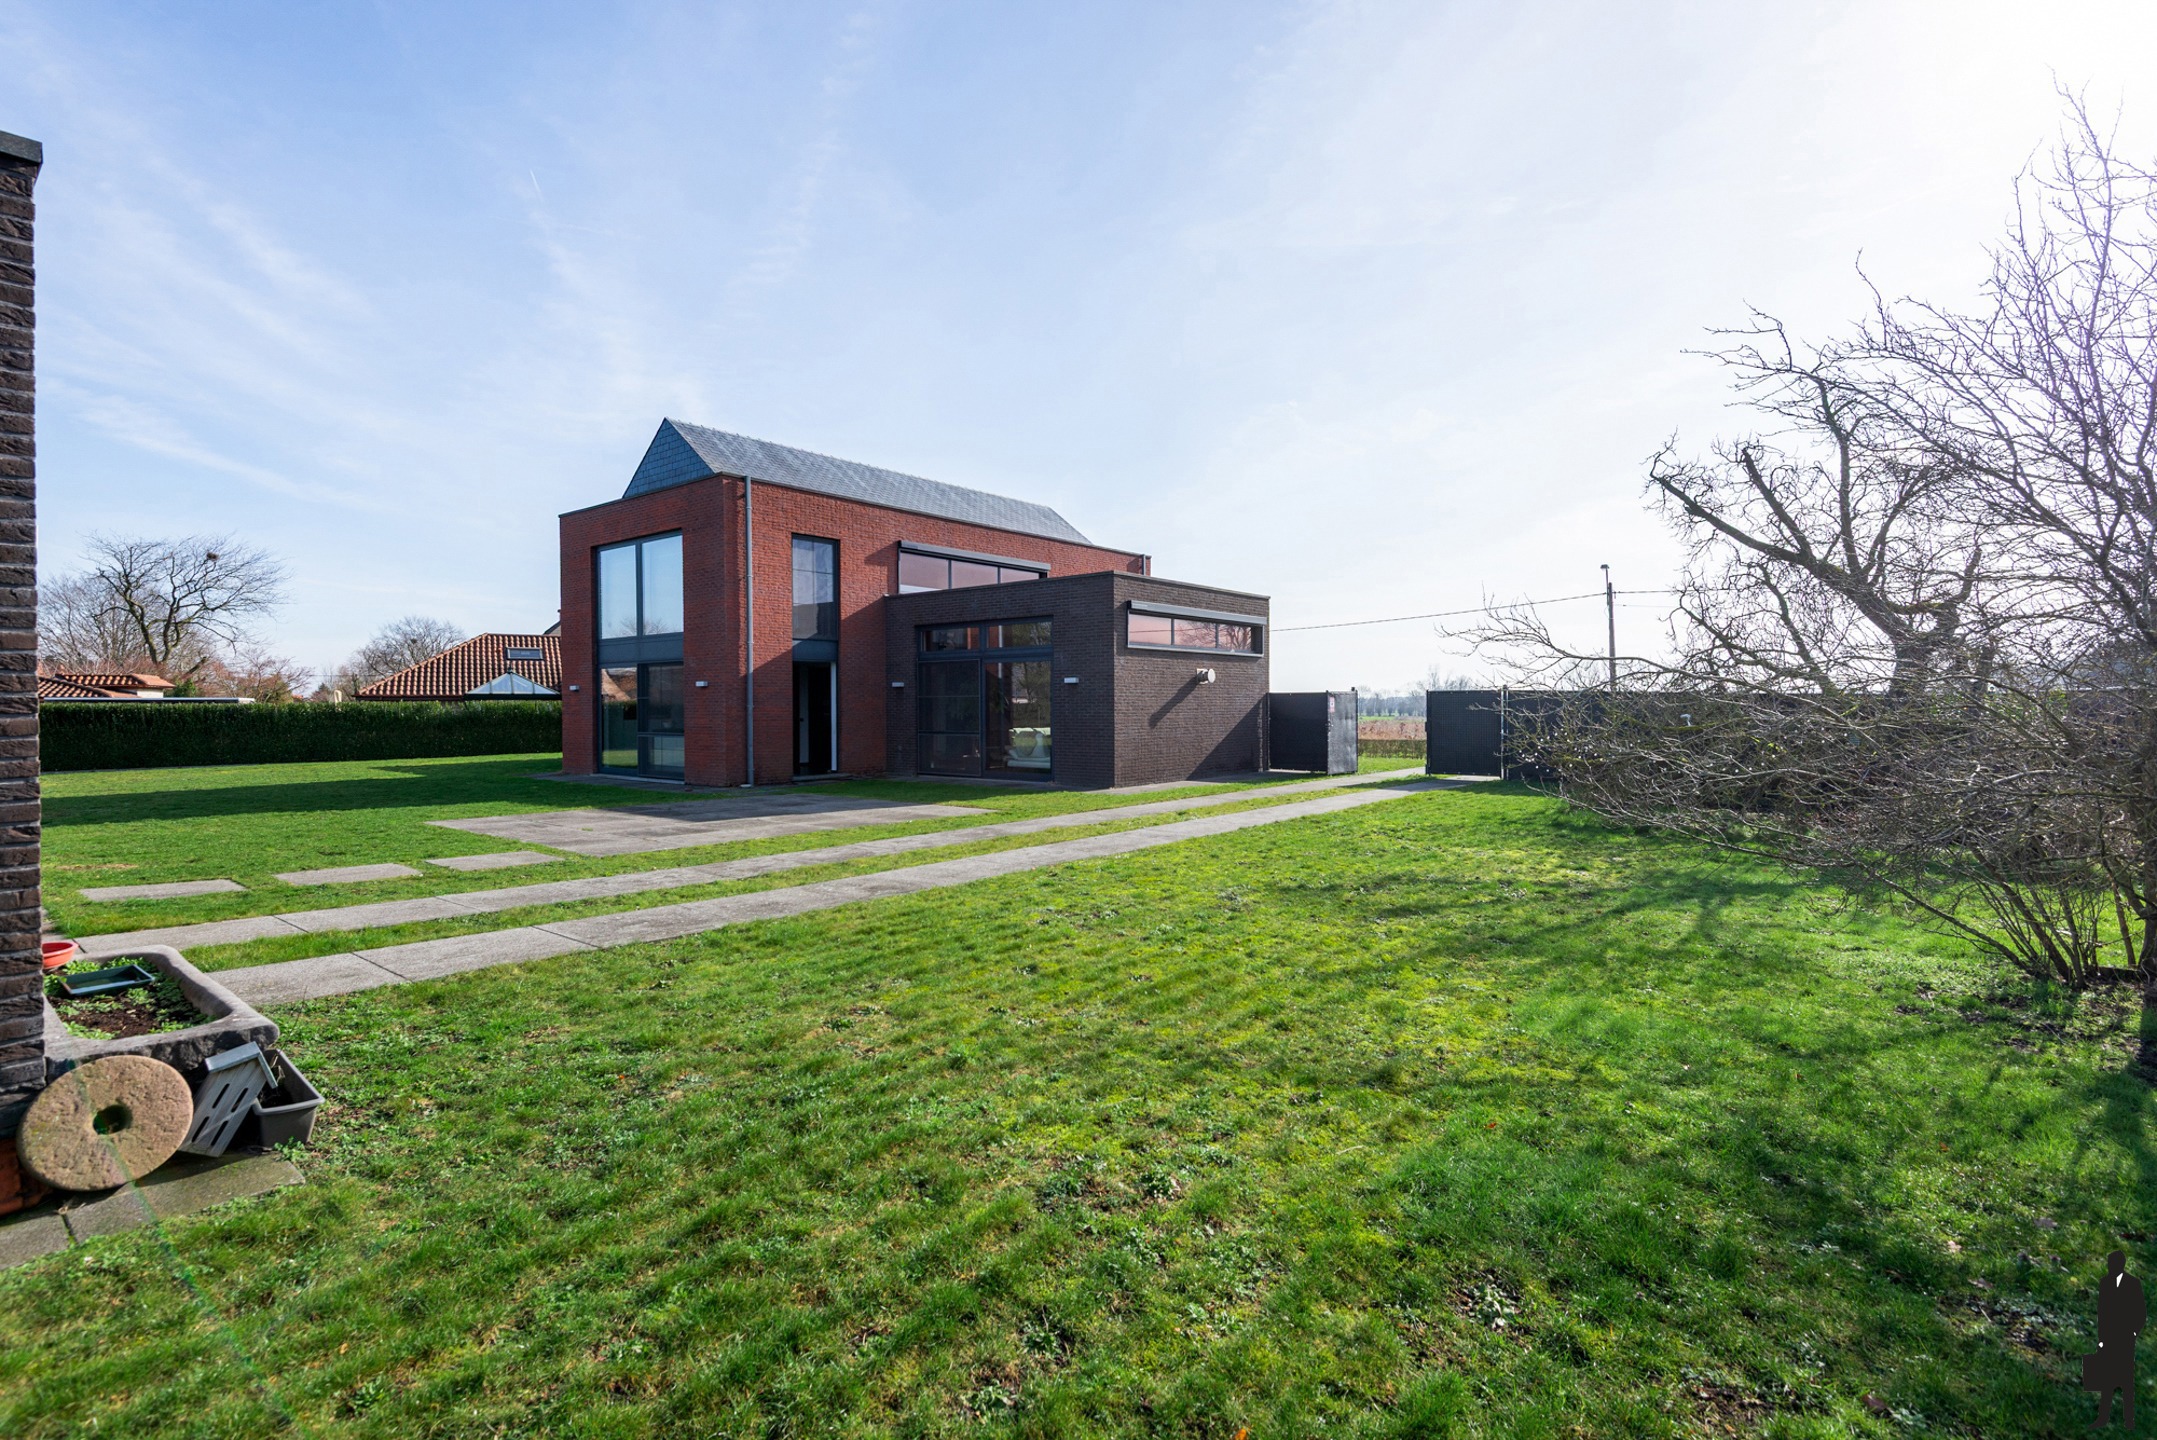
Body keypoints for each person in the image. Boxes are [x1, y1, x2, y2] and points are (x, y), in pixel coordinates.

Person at [2087, 1250, 2145, 1428]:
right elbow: (2102, 1313)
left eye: (2113, 1263)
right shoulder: (2105, 1283)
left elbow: (2140, 1311)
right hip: (2109, 1337)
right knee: (2107, 1379)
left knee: (2126, 1380)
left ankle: (2129, 1419)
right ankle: (2103, 1417)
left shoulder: (2133, 1284)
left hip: (2126, 1337)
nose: (2110, 1267)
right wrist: (2102, 1337)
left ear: (2121, 1264)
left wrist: (2134, 1332)